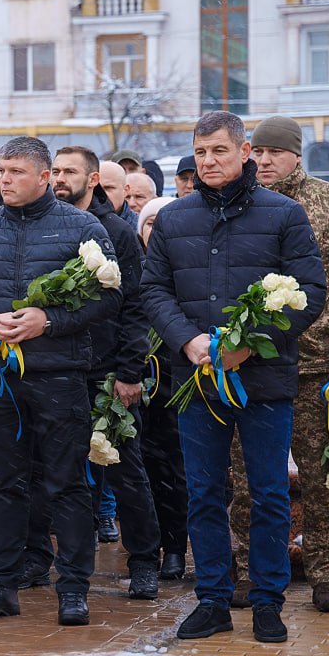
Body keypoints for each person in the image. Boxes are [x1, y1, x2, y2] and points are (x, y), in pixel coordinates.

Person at [141, 111, 325, 643]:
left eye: (219, 151)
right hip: (197, 378)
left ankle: (267, 601)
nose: (208, 161)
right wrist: (188, 339)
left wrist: (250, 345)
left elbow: (310, 292)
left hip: (264, 380)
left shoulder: (284, 214)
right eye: (200, 152)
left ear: (245, 152)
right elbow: (154, 291)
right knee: (203, 492)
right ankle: (214, 600)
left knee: (267, 493)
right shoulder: (176, 219)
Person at [0, 137, 120, 627]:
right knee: (5, 484)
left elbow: (109, 299)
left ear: (45, 177)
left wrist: (49, 321)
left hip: (60, 375)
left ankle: (73, 589)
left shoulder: (83, 228)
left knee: (67, 484)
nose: (4, 180)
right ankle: (2, 586)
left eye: (16, 172)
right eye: (2, 171)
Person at [227, 116, 329, 614]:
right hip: (249, 367)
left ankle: (328, 570)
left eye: (275, 152)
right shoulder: (234, 201)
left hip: (316, 369)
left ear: (297, 155)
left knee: (321, 479)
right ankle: (248, 569)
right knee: (249, 479)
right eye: (259, 152)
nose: (264, 161)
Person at [46, 146, 161, 600]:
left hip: (108, 371)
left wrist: (129, 371)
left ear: (92, 179)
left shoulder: (117, 232)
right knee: (59, 472)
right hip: (59, 368)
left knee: (125, 472)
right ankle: (58, 561)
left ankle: (145, 560)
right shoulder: (46, 227)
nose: (59, 178)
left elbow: (135, 307)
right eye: (54, 170)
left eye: (69, 171)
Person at [135, 196, 189, 581]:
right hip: (135, 381)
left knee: (175, 470)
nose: (156, 230)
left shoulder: (186, 268)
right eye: (149, 222)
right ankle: (144, 546)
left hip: (178, 380)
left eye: (162, 222)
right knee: (142, 469)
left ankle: (175, 547)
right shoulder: (130, 266)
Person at [98, 161, 136, 226]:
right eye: (97, 188)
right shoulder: (81, 223)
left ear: (125, 190)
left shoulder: (139, 228)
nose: (101, 194)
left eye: (108, 188)